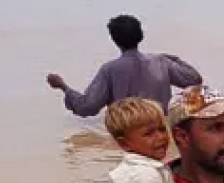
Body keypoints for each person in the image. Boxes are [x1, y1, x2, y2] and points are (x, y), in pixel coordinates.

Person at [46, 14, 203, 117]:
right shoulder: (160, 61)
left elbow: (88, 107)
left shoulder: (110, 70)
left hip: (130, 134)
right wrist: (172, 58)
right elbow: (194, 79)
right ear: (141, 36)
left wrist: (63, 87)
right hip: (159, 129)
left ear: (114, 40)